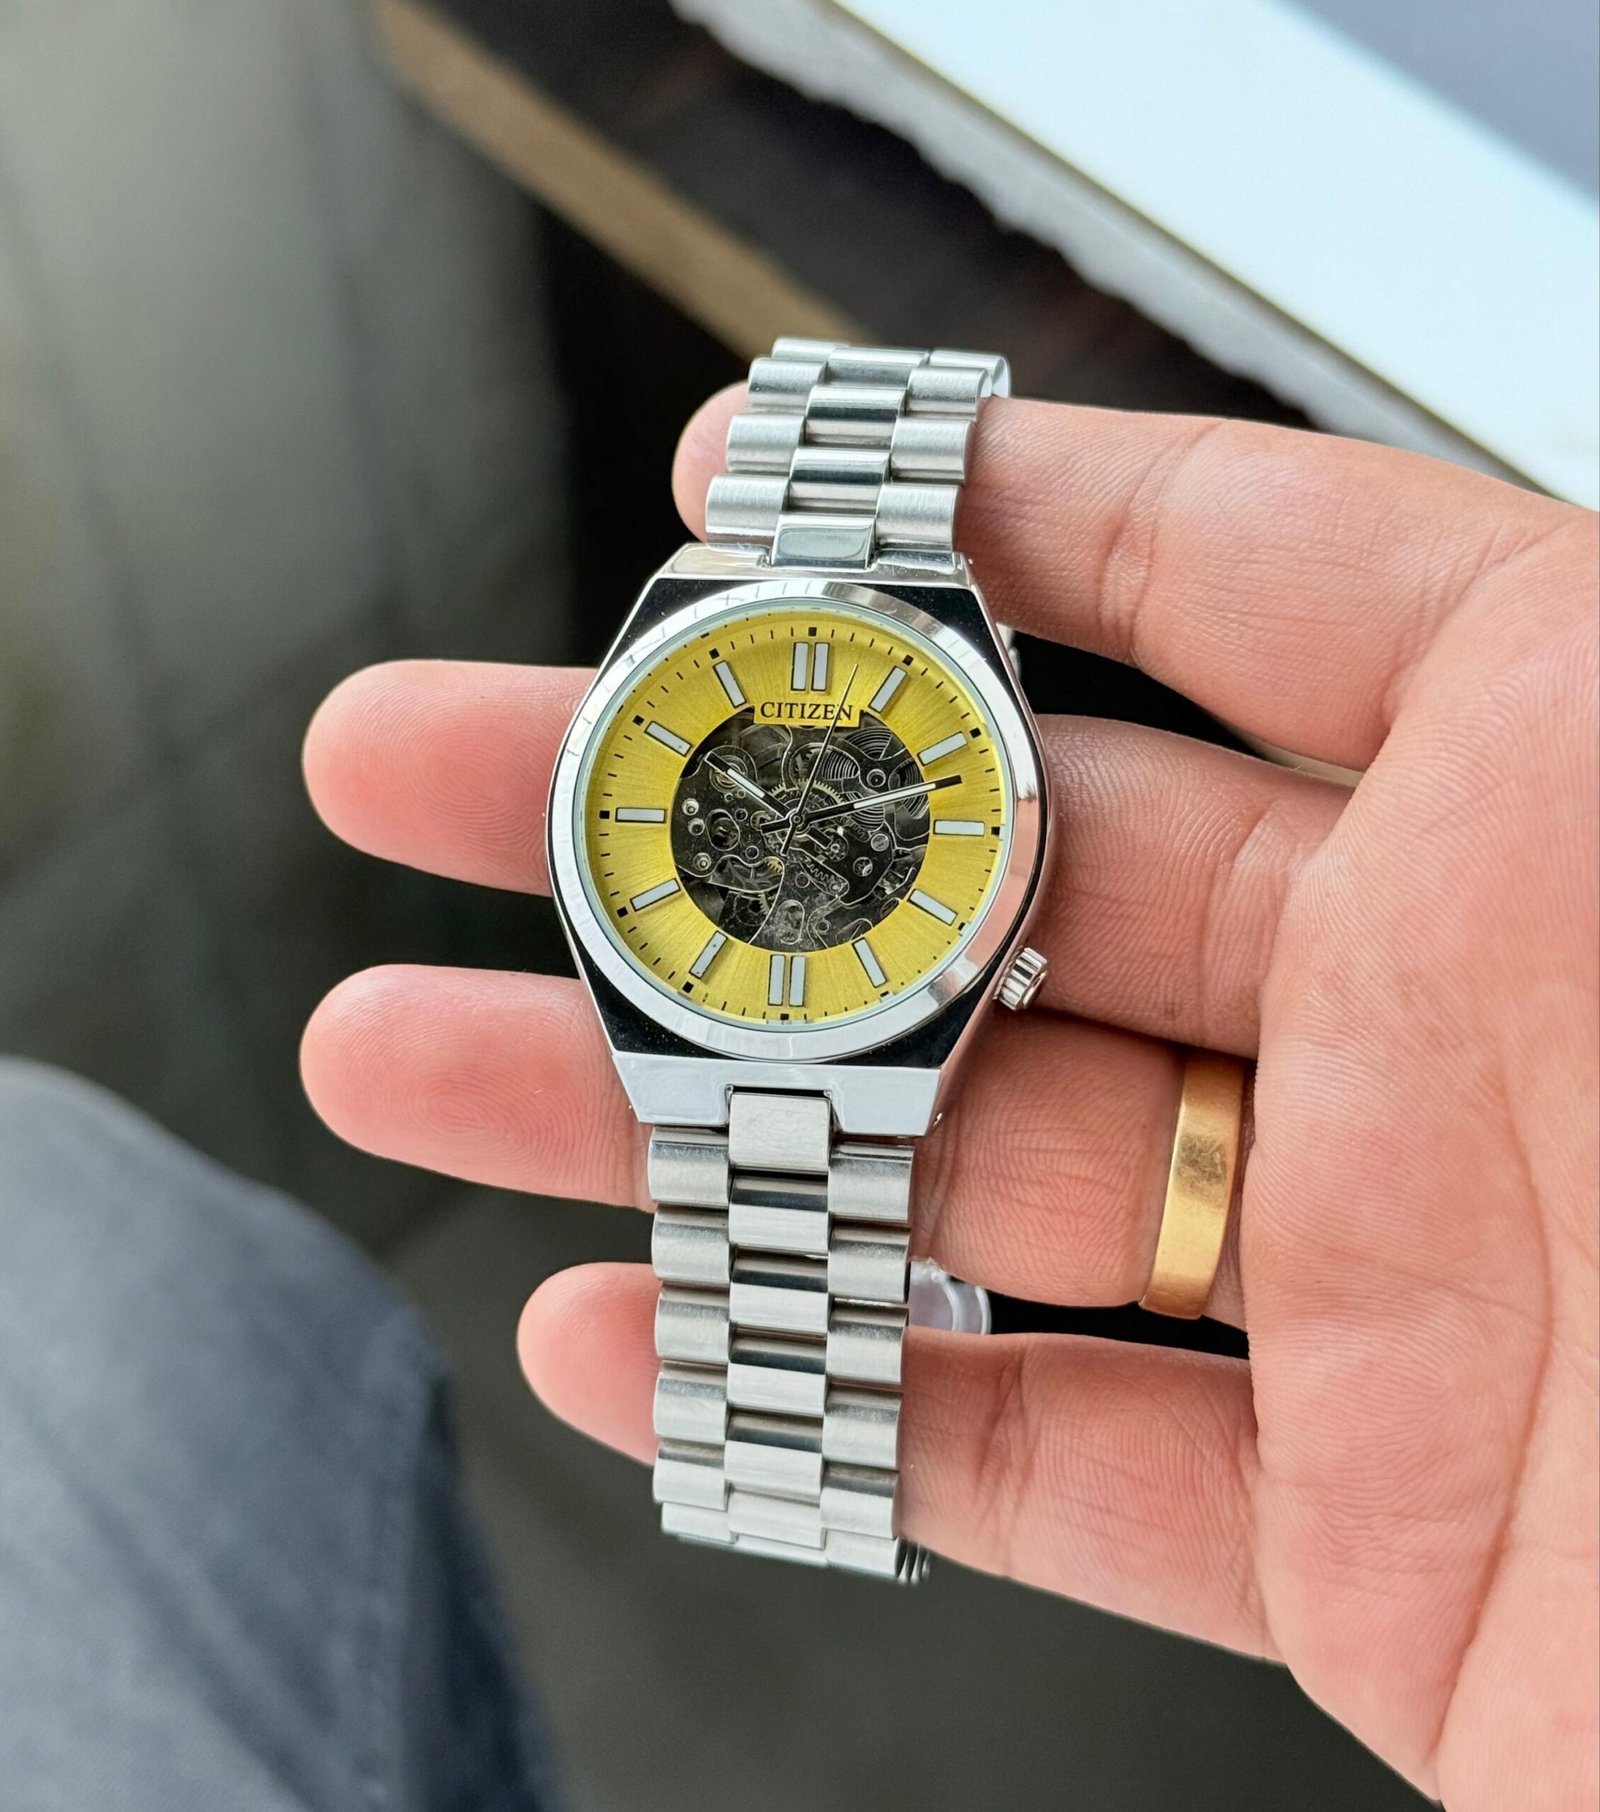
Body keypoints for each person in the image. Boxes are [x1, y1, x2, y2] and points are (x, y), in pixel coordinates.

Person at [0, 391, 1591, 1809]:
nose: (793, 823)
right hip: (734, 1007)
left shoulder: (894, 817)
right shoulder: (786, 772)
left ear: (1013, 928)